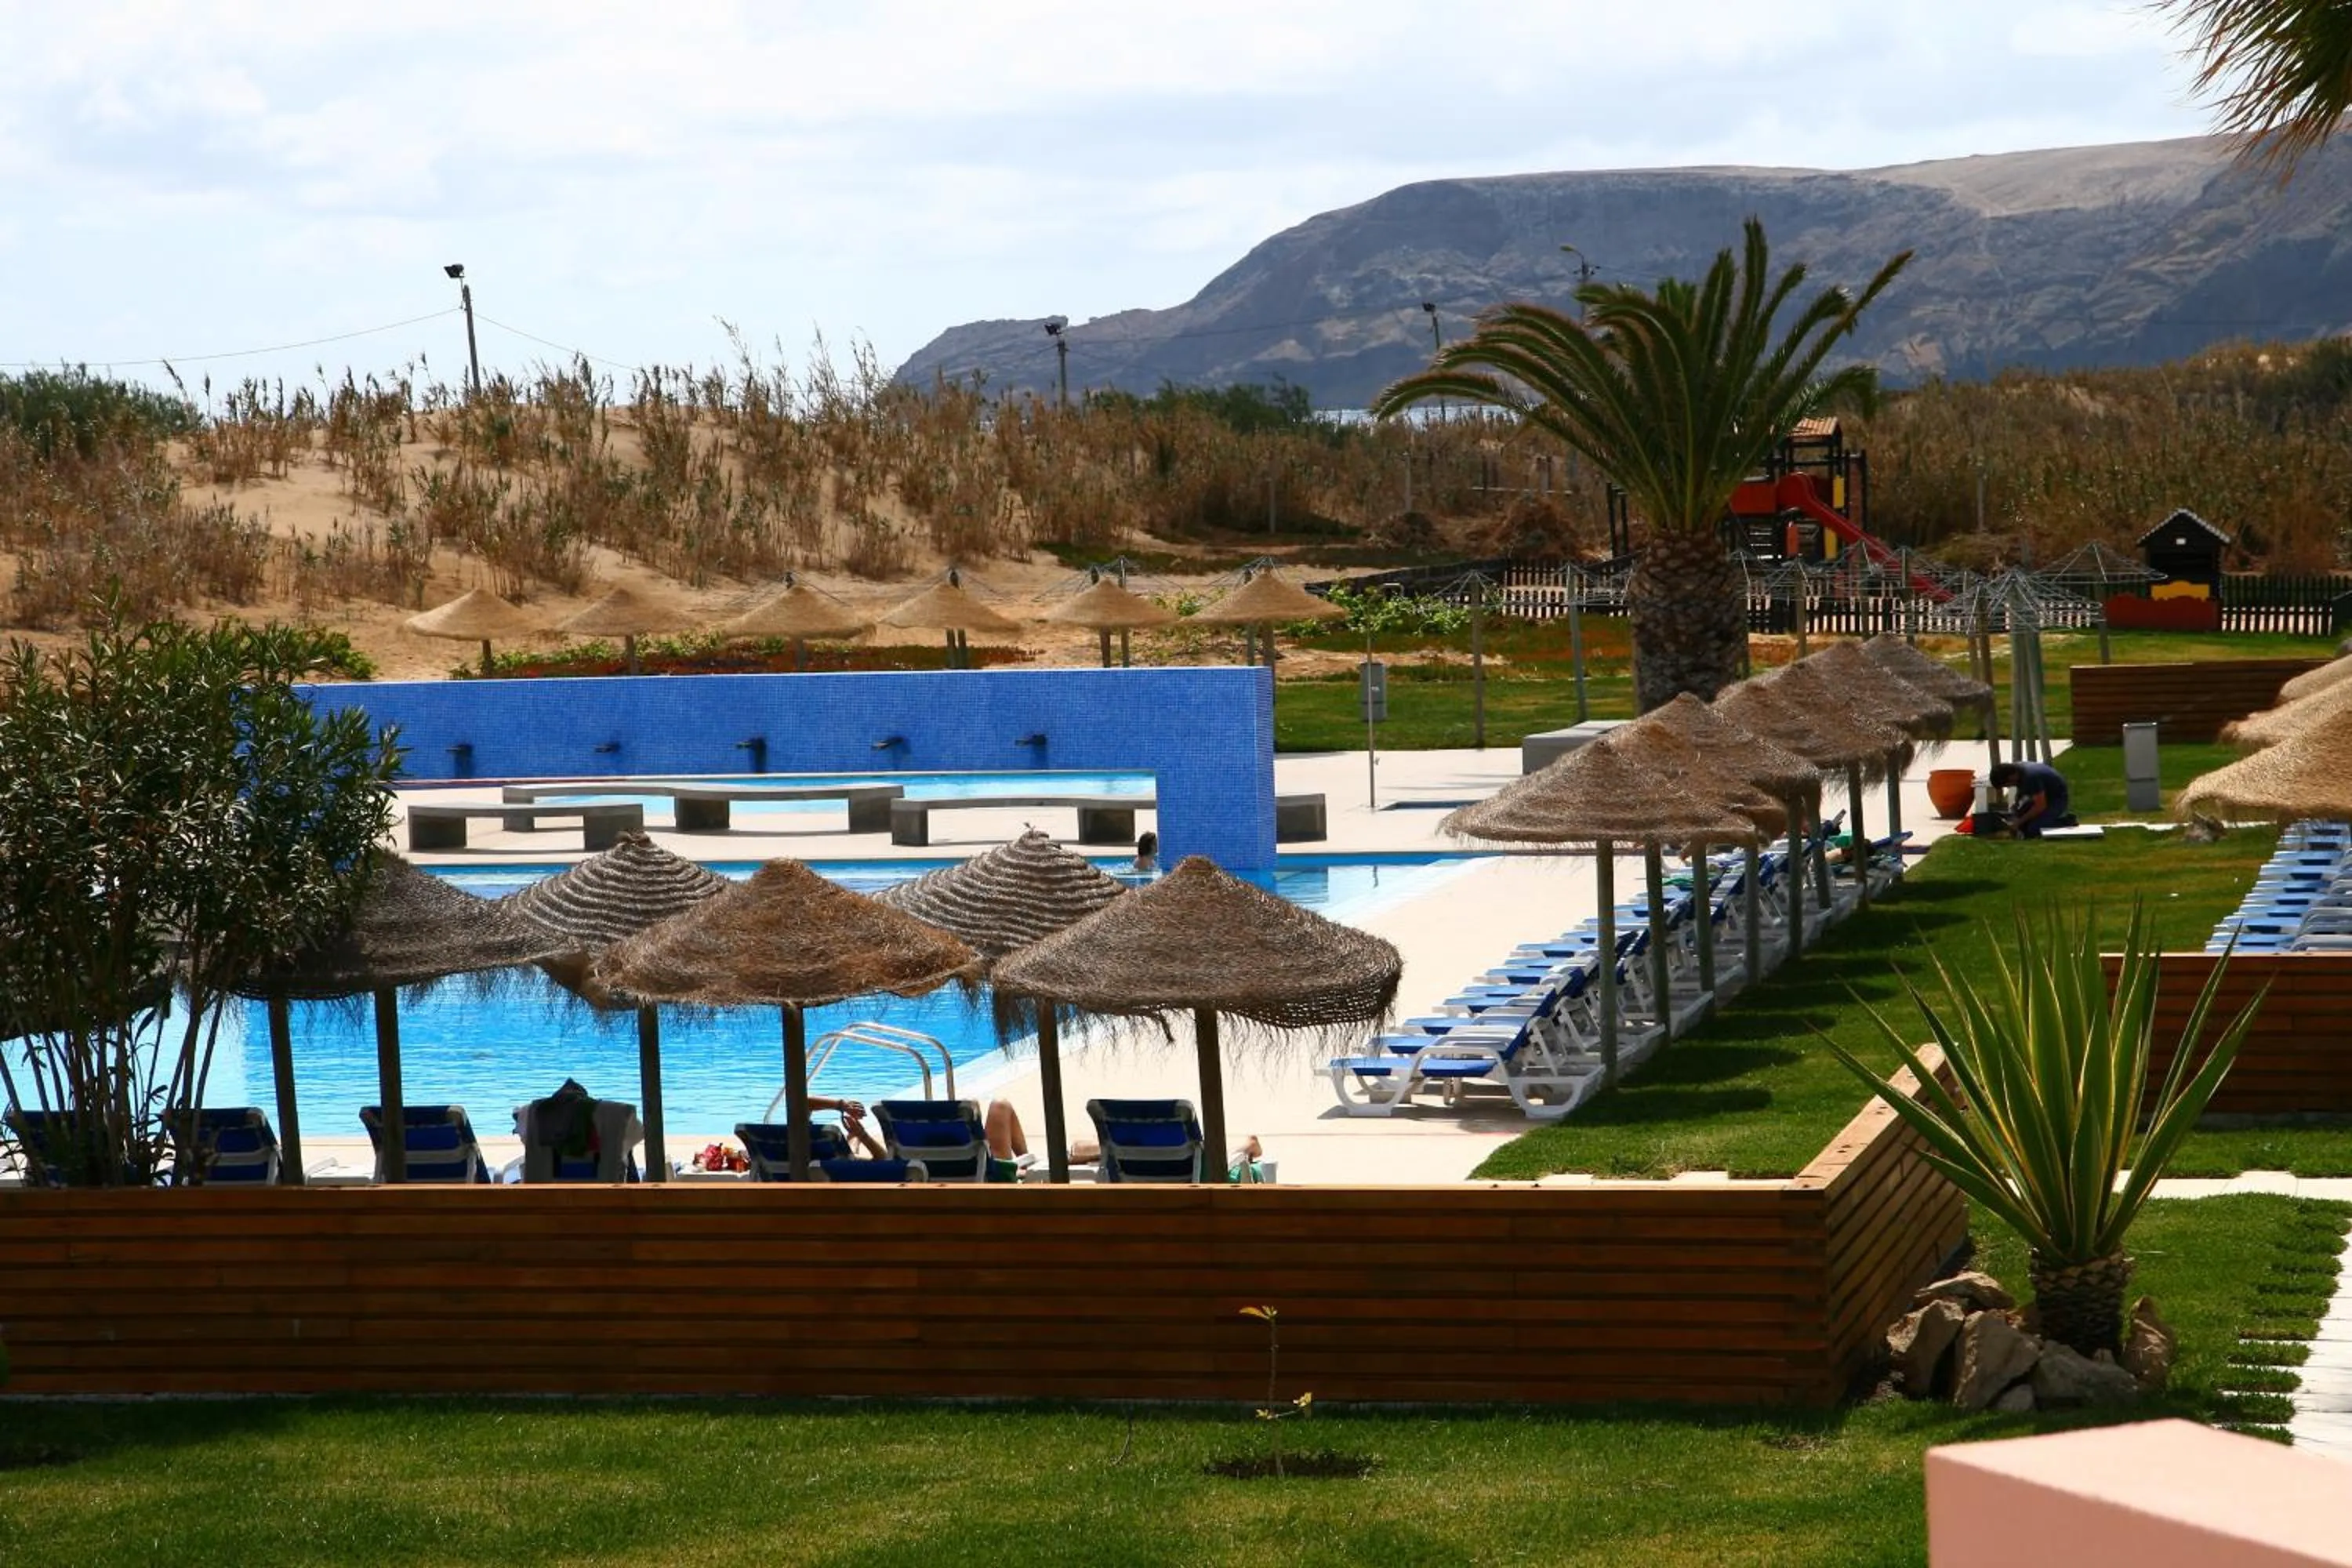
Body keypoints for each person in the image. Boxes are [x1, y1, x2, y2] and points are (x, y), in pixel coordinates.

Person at [1988, 760, 2075, 838]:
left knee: (2034, 830)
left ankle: (2066, 821)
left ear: (2011, 777)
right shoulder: (2016, 770)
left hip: (2056, 799)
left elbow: (2040, 806)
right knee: (2023, 824)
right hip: (2040, 796)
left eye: (2006, 785)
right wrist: (2016, 812)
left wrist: (2018, 822)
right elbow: (2022, 793)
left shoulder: (2031, 777)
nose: (2008, 787)